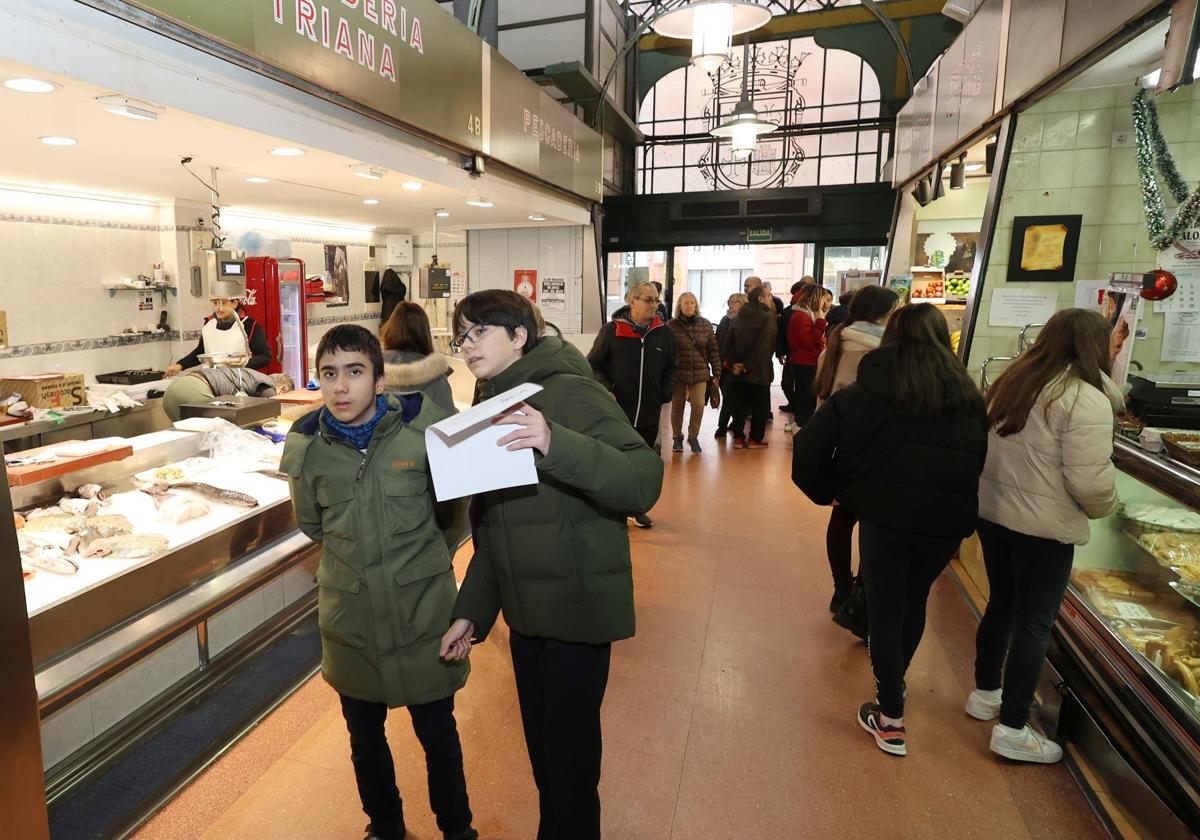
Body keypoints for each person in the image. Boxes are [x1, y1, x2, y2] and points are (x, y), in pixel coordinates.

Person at [439, 290, 663, 840]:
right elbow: (494, 528)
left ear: (519, 336)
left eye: (478, 333)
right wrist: (471, 612)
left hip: (577, 614)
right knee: (546, 760)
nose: (466, 347)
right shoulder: (491, 404)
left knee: (570, 769)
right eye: (459, 337)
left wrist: (552, 440)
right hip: (526, 617)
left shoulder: (568, 392)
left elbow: (643, 480)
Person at [280, 325, 477, 840]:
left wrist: (416, 564)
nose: (340, 387)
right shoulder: (308, 449)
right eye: (328, 374)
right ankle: (384, 827)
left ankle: (458, 830)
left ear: (380, 380)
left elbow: (453, 519)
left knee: (438, 735)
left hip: (422, 616)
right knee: (365, 740)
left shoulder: (425, 436)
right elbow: (312, 523)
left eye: (354, 372)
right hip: (353, 622)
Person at [792, 304, 988, 757]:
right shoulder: (968, 399)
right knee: (912, 601)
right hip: (944, 524)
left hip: (884, 519)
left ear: (890, 337)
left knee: (883, 607)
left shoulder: (864, 392)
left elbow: (808, 449)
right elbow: (979, 460)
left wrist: (836, 493)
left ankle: (891, 716)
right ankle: (894, 691)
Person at [968, 308, 1121, 764]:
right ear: (1094, 346)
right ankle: (1013, 728)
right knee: (1035, 622)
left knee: (1002, 605)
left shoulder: (1011, 382)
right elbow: (1091, 484)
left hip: (994, 516)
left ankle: (986, 693)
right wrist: (1107, 510)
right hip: (1044, 528)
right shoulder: (1085, 399)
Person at [810, 285, 900, 614]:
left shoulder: (835, 343)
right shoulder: (880, 351)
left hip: (839, 445)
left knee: (842, 516)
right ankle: (861, 592)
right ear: (880, 316)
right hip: (874, 448)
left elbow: (823, 400)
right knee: (872, 522)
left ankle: (841, 587)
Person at [587, 281, 676, 527]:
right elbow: (593, 364)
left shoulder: (664, 333)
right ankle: (609, 510)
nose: (655, 305)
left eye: (656, 300)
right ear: (632, 301)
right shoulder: (612, 331)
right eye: (649, 300)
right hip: (617, 413)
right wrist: (607, 389)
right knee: (614, 463)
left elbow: (671, 367)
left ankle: (635, 508)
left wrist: (665, 392)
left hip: (649, 412)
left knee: (641, 465)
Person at [166, 278, 270, 376]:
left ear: (234, 303)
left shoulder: (249, 325)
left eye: (223, 303)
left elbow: (265, 357)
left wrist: (239, 363)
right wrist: (180, 365)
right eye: (215, 303)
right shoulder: (208, 325)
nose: (218, 308)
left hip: (240, 381)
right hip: (214, 380)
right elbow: (200, 352)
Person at [666, 292, 720, 454]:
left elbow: (713, 350)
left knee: (698, 405)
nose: (689, 306)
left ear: (696, 306)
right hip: (678, 373)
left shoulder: (705, 324)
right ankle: (677, 437)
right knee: (677, 406)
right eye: (685, 303)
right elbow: (667, 352)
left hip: (700, 372)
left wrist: (717, 373)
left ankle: (693, 436)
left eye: (692, 303)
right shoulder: (671, 326)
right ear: (679, 307)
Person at [726, 286, 777, 449]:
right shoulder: (767, 317)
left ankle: (739, 438)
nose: (770, 299)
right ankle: (755, 439)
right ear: (761, 299)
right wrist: (748, 366)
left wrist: (735, 364)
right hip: (758, 370)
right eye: (768, 296)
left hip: (738, 371)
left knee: (739, 405)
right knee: (759, 406)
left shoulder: (739, 316)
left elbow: (728, 343)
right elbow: (765, 347)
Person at [381, 301, 455, 411]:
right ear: (425, 334)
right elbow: (448, 419)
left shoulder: (371, 372)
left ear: (389, 330)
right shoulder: (437, 379)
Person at [162, 367, 293, 422]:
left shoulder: (253, 376)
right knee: (215, 438)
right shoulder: (268, 385)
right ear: (281, 388)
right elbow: (272, 417)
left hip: (173, 391)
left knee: (192, 441)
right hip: (195, 391)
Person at [784, 283, 831, 431]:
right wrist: (821, 322)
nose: (826, 302)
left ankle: (799, 423)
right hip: (805, 362)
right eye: (824, 299)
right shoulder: (801, 316)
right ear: (816, 298)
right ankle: (801, 427)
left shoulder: (806, 314)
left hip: (807, 360)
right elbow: (809, 341)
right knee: (807, 396)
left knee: (805, 395)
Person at [713, 292, 747, 438]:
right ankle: (727, 426)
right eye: (730, 302)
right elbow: (718, 341)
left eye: (736, 302)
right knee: (728, 397)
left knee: (735, 399)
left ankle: (730, 427)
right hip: (724, 366)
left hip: (738, 366)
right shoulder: (724, 320)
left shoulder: (745, 321)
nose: (731, 305)